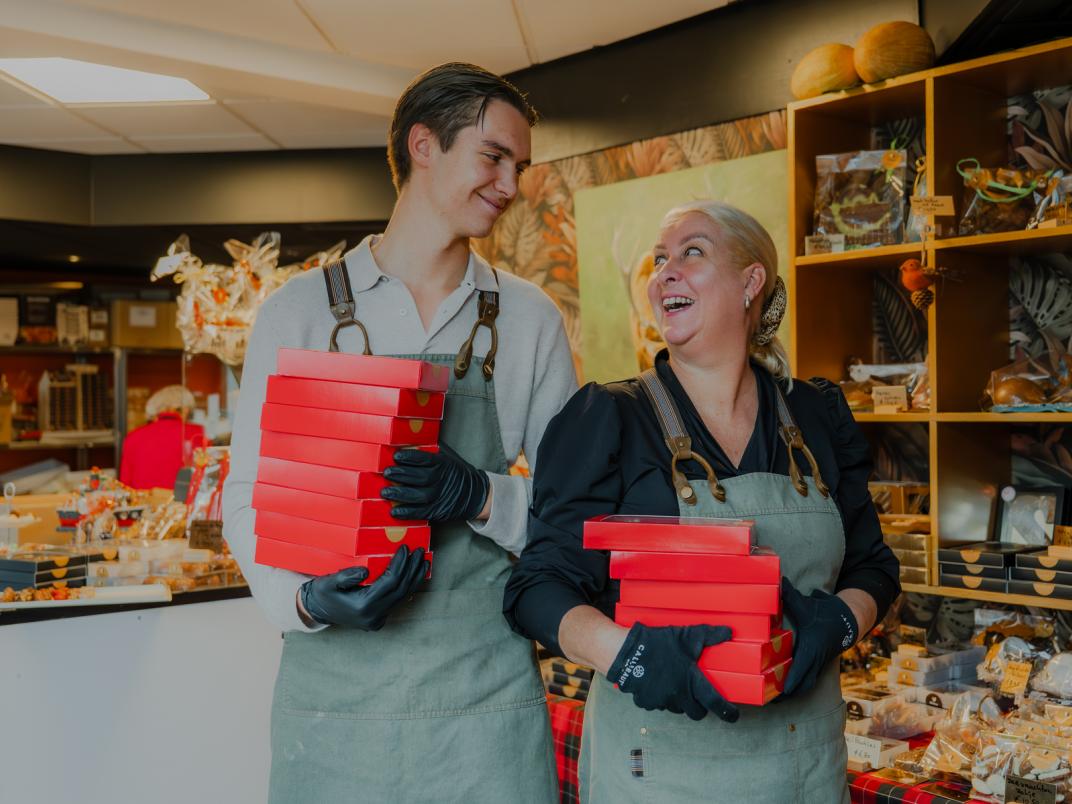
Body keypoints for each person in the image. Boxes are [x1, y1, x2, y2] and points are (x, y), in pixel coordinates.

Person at [222, 63, 576, 802]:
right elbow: (249, 494)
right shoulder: (299, 313)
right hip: (334, 708)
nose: (511, 185)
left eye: (519, 167)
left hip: (485, 705)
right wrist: (306, 602)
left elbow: (572, 511)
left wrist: (480, 494)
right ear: (423, 145)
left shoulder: (529, 318)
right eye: (494, 157)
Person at [504, 200, 900, 802]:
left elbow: (873, 566)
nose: (665, 272)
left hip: (805, 773)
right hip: (659, 775)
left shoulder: (817, 415)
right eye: (659, 259)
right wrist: (631, 656)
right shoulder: (611, 418)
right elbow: (538, 589)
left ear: (750, 281)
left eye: (692, 252)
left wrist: (839, 621)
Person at [119, 384, 205, 489]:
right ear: (185, 409)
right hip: (182, 499)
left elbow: (125, 485)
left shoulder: (132, 437)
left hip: (143, 499)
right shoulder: (197, 433)